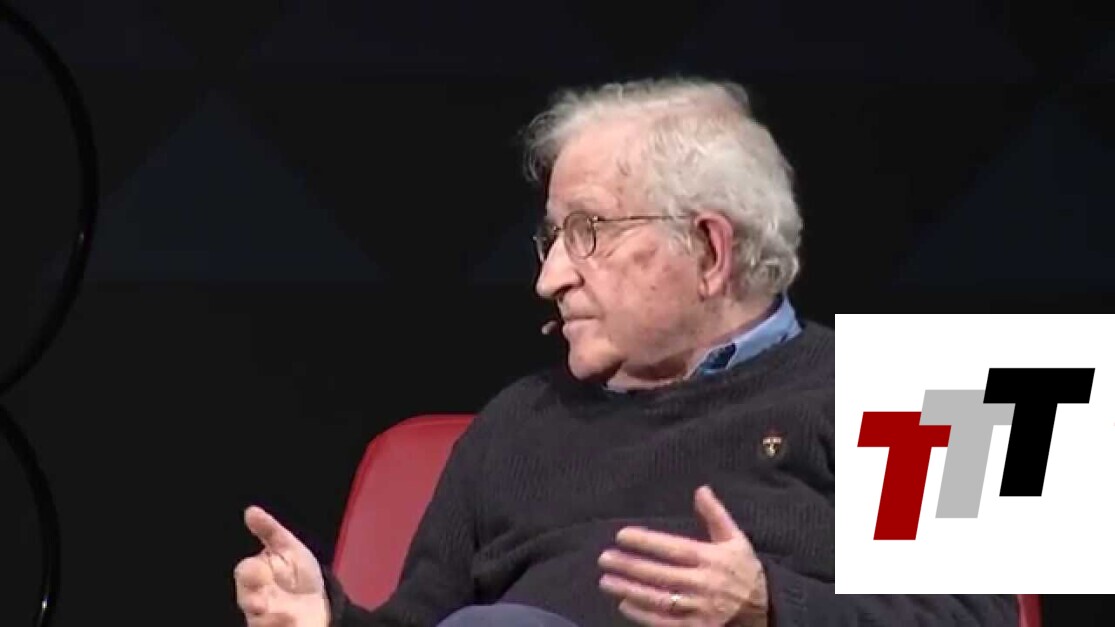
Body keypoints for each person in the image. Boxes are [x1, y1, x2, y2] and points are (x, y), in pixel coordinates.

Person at [234, 77, 1018, 626]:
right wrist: (328, 619)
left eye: (589, 232)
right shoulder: (516, 422)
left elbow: (981, 619)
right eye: (552, 238)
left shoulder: (912, 388)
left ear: (708, 249)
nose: (549, 278)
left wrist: (770, 605)